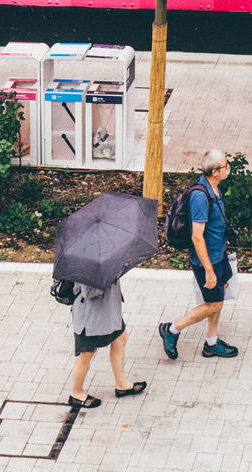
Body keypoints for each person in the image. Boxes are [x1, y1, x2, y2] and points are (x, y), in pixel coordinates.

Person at [158, 149, 238, 360]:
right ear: (214, 171)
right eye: (225, 165)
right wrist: (209, 270)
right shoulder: (200, 197)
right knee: (215, 303)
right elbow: (197, 236)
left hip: (218, 254)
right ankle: (172, 330)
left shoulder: (214, 188)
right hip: (207, 260)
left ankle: (211, 342)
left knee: (218, 298)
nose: (228, 168)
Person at [68, 276, 147, 409]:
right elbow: (88, 292)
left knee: (120, 338)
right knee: (86, 353)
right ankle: (76, 393)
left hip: (108, 310)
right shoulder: (89, 263)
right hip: (90, 316)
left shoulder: (101, 257)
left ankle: (121, 384)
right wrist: (108, 279)